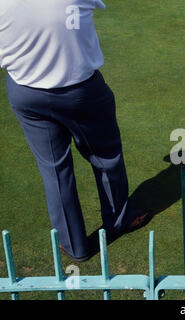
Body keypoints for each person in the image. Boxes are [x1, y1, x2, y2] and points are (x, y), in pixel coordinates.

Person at [0, 0, 150, 262]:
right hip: (81, 92)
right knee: (106, 157)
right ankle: (118, 220)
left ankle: (74, 246)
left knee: (54, 170)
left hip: (26, 93)